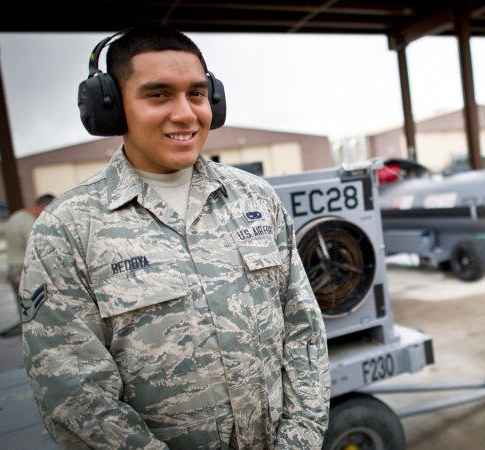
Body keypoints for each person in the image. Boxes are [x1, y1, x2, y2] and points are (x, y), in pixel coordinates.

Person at [20, 26, 330, 449]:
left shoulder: (256, 198)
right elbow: (75, 396)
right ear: (112, 107)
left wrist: (300, 440)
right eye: (158, 95)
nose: (185, 114)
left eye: (196, 94)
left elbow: (304, 331)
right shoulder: (68, 228)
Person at [5, 194, 55, 321]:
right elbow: (37, 248)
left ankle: (23, 328)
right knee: (35, 312)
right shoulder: (29, 222)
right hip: (23, 270)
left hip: (12, 267)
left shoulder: (16, 216)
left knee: (23, 309)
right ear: (43, 206)